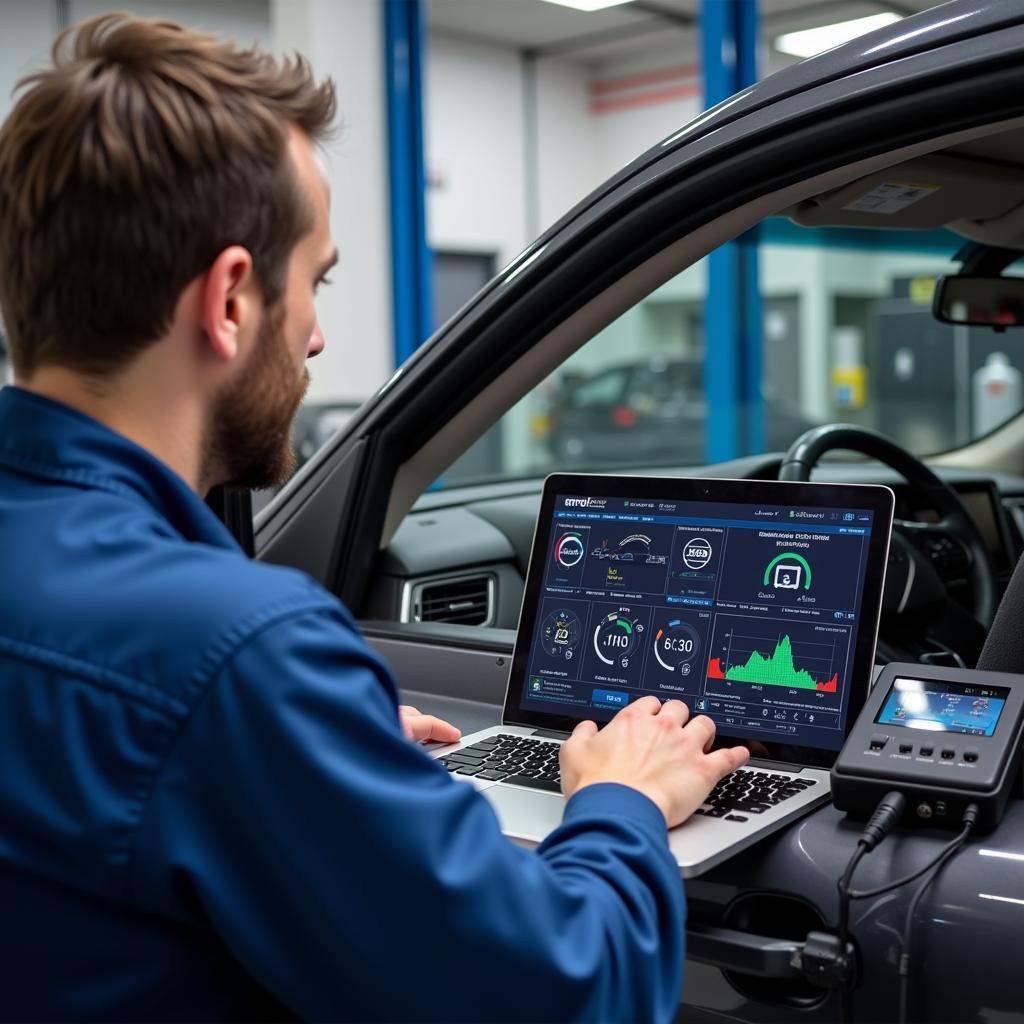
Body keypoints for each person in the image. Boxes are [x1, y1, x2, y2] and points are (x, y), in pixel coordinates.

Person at [0, 14, 749, 1022]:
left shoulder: (224, 678)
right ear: (229, 299)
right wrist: (622, 799)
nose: (314, 334)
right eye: (318, 280)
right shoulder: (238, 659)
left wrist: (316, 745)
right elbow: (569, 990)